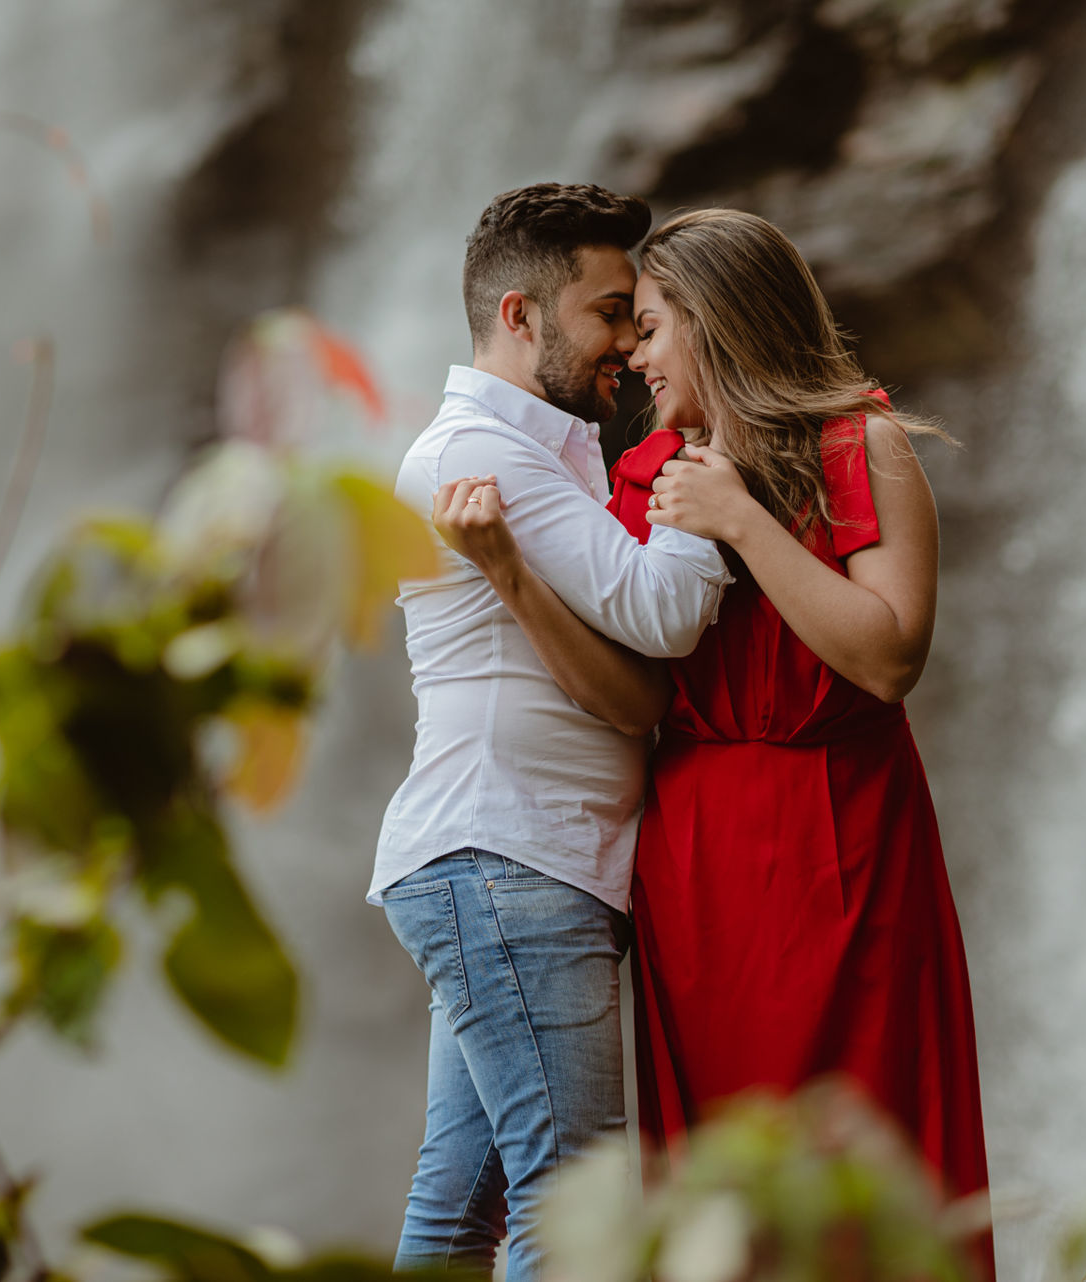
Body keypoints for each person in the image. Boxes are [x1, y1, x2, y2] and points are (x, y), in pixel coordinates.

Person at [435, 207, 994, 1278]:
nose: (632, 357)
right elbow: (634, 698)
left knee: (869, 1159)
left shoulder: (862, 445)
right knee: (722, 1191)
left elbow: (886, 659)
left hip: (848, 842)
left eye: (648, 327)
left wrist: (742, 520)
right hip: (694, 864)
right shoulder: (639, 479)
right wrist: (510, 575)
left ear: (717, 321)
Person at [372, 184, 731, 1281]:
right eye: (609, 312)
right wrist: (704, 480)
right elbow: (664, 612)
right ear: (520, 316)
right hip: (508, 858)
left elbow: (632, 687)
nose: (628, 340)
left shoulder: (542, 450)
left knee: (462, 1199)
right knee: (573, 1202)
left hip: (511, 862)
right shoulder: (483, 453)